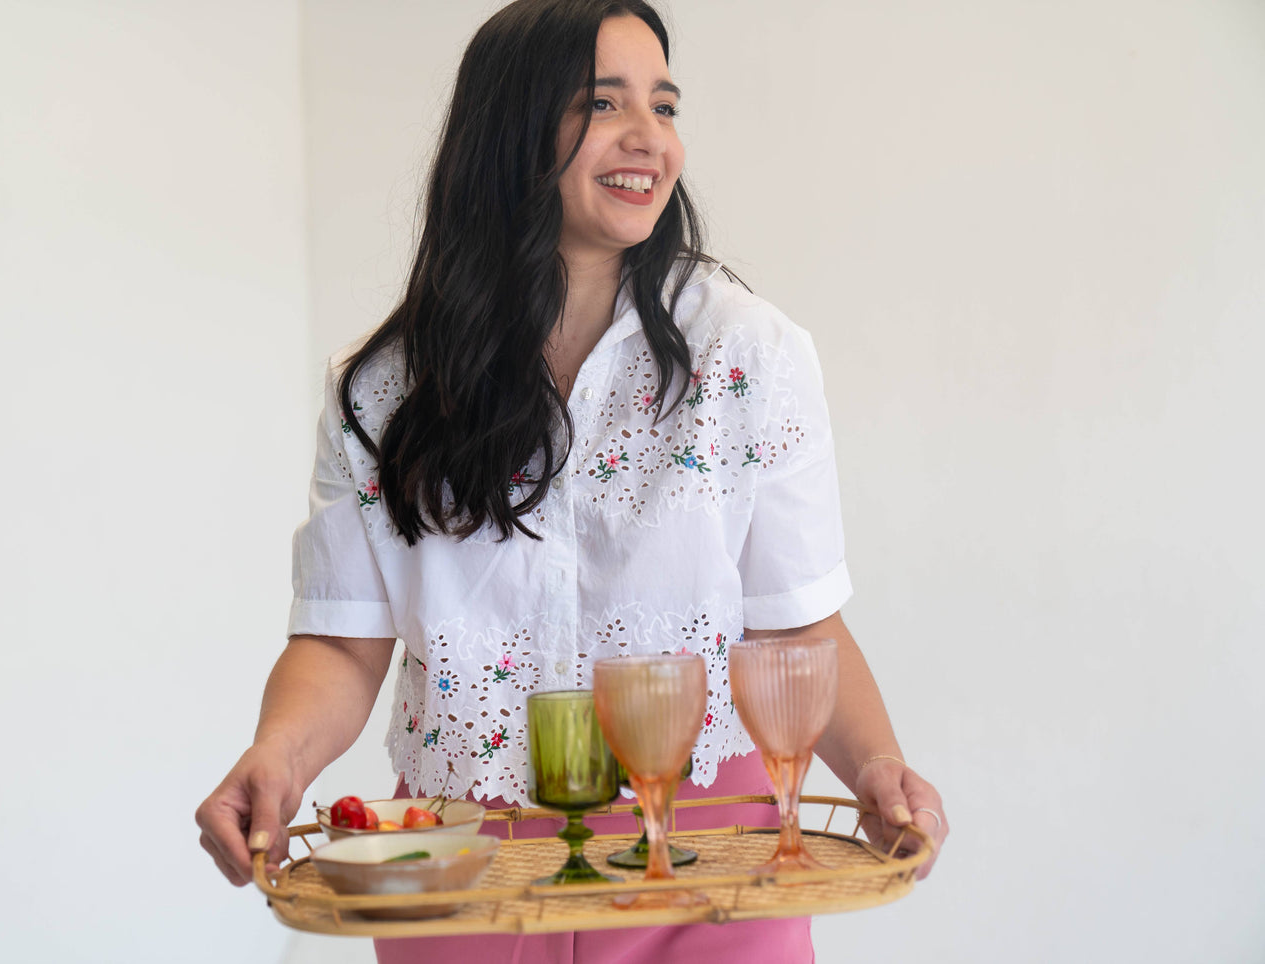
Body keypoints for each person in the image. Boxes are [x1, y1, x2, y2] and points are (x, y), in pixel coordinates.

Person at [196, 1, 949, 960]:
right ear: (510, 132)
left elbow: (796, 624)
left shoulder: (749, 355)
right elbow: (343, 647)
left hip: (712, 862)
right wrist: (277, 758)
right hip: (456, 867)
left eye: (664, 105)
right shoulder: (383, 388)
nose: (649, 138)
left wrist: (879, 767)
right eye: (603, 102)